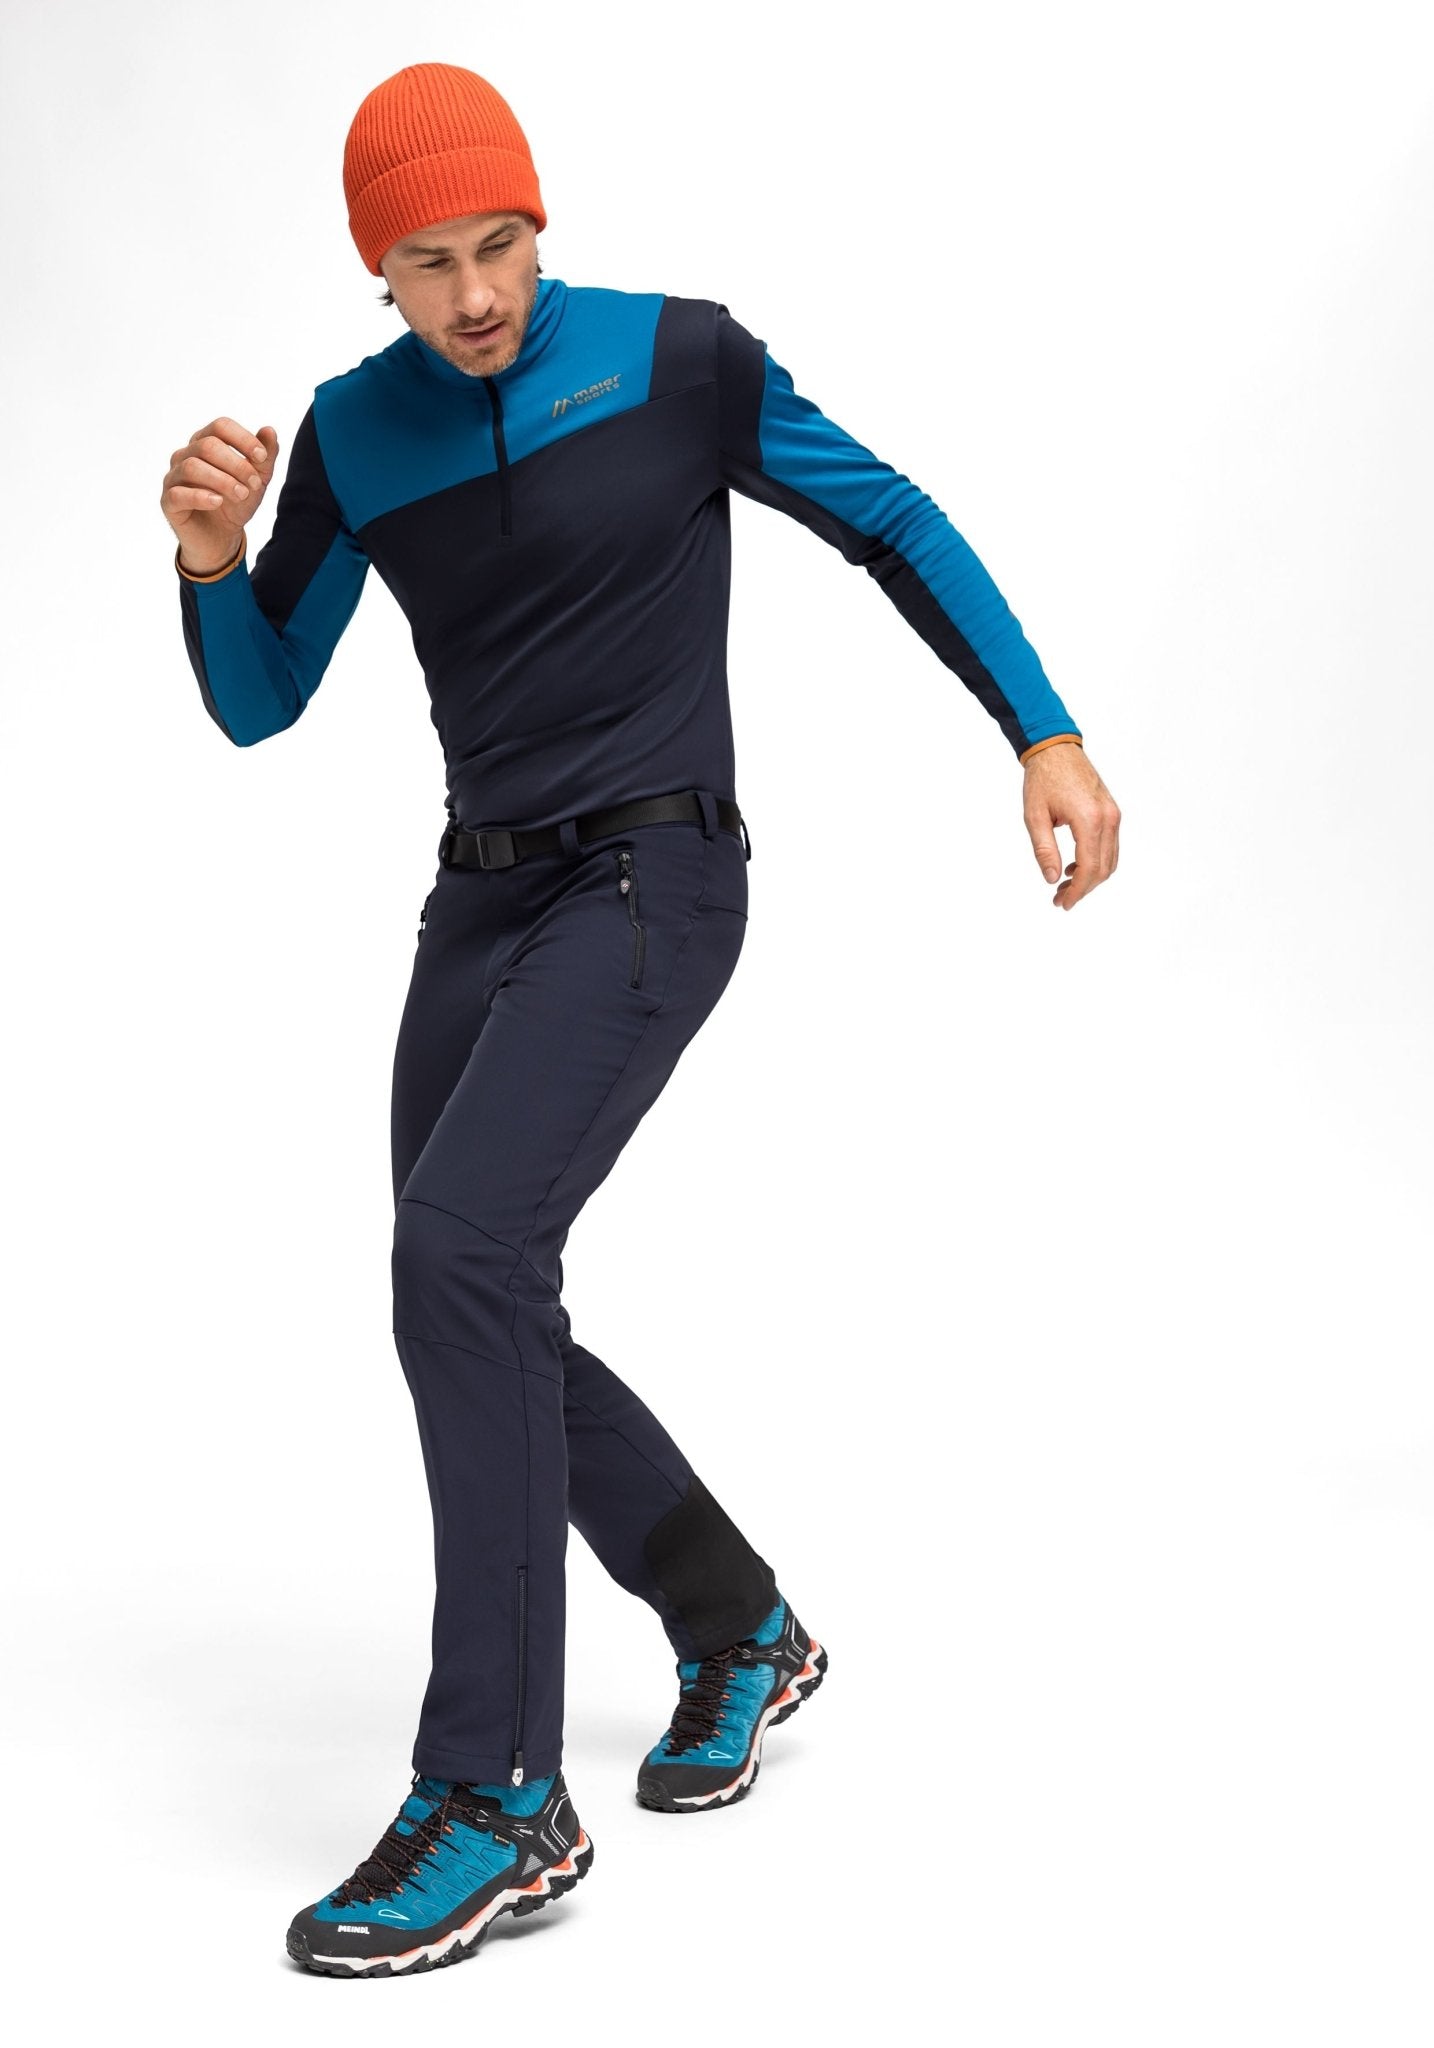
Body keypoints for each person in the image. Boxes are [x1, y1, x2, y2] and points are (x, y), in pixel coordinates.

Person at [160, 61, 1122, 1981]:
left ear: (539, 226)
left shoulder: (676, 358)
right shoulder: (354, 435)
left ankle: (497, 1796)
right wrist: (205, 563)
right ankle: (736, 1622)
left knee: (459, 1257)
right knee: (467, 1286)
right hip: (479, 901)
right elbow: (261, 702)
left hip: (653, 876)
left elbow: (891, 520)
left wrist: (1043, 731)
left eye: (497, 247)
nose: (474, 296)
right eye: (427, 267)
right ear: (377, 276)